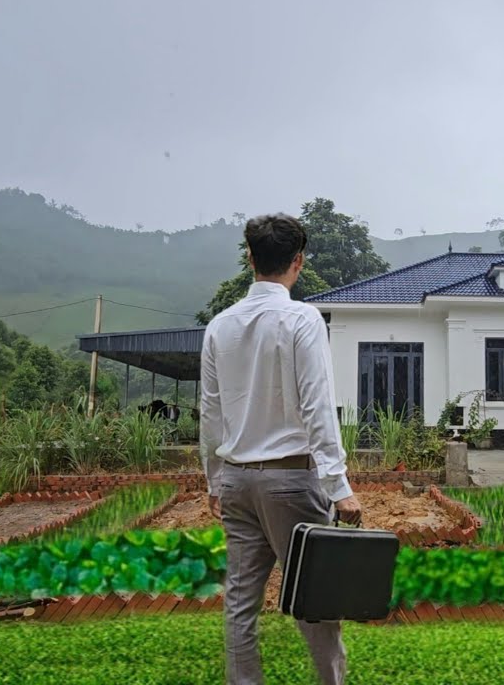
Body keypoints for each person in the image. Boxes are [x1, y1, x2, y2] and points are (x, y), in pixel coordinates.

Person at [199, 213, 363, 685]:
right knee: (314, 598)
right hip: (292, 482)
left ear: (249, 258)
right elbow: (317, 406)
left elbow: (210, 413)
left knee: (240, 602)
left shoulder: (220, 327)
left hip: (236, 480)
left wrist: (214, 480)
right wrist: (338, 486)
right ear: (299, 262)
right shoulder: (302, 319)